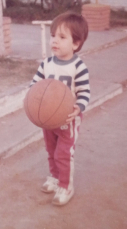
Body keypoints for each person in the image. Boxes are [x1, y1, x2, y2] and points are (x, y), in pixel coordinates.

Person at [30, 11, 90, 206]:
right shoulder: (46, 65)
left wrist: (78, 108)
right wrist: (33, 102)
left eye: (62, 37)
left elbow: (84, 93)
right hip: (48, 119)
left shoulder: (78, 67)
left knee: (63, 154)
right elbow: (35, 87)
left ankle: (66, 186)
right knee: (51, 150)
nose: (55, 41)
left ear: (75, 44)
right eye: (53, 35)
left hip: (67, 120)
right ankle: (55, 178)